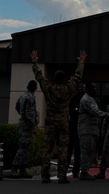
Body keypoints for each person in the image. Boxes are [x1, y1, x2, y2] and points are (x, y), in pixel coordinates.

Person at [31, 48, 86, 183]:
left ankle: (45, 176)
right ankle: (62, 176)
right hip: (63, 123)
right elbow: (77, 77)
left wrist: (34, 63)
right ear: (63, 79)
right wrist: (81, 62)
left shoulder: (49, 88)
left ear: (54, 79)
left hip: (50, 123)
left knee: (47, 150)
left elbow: (39, 76)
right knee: (63, 150)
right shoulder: (68, 89)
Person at [10, 80, 39, 178]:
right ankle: (15, 168)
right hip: (27, 125)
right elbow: (30, 114)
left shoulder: (22, 96)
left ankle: (22, 169)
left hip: (23, 123)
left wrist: (22, 114)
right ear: (35, 88)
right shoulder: (30, 98)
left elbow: (17, 106)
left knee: (25, 148)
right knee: (23, 148)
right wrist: (34, 126)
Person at [77, 82, 106, 179]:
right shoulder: (86, 99)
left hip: (92, 130)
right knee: (85, 151)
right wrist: (107, 114)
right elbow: (95, 112)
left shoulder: (92, 99)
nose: (95, 89)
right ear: (88, 89)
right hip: (86, 130)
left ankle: (86, 171)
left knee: (90, 151)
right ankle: (84, 173)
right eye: (93, 87)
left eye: (96, 87)